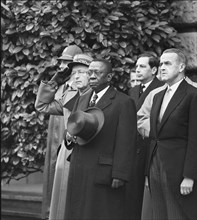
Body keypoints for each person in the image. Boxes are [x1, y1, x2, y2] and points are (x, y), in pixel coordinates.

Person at [138, 48, 197, 220]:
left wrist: (189, 176)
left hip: (178, 168)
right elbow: (155, 136)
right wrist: (149, 171)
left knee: (179, 214)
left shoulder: (194, 95)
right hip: (155, 165)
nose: (162, 67)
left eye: (167, 63)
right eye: (161, 63)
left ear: (181, 66)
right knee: (159, 214)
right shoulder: (158, 95)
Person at [64, 58, 137, 220]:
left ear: (109, 77)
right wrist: (68, 136)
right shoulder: (81, 99)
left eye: (97, 72)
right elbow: (72, 128)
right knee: (77, 213)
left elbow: (126, 141)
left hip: (104, 172)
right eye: (89, 72)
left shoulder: (123, 102)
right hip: (79, 168)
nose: (91, 76)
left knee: (101, 213)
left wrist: (120, 174)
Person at [35, 53, 93, 220]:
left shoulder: (98, 96)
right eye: (73, 73)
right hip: (67, 153)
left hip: (87, 154)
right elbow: (42, 106)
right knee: (62, 201)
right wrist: (55, 80)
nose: (76, 76)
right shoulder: (68, 94)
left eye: (82, 72)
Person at [40, 44, 82, 219]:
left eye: (67, 62)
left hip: (71, 141)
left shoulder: (81, 87)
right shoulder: (62, 83)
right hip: (56, 136)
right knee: (54, 182)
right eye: (62, 62)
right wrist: (55, 80)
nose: (63, 66)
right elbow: (43, 105)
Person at [126, 52, 164, 220]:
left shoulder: (161, 89)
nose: (138, 70)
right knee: (133, 195)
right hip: (133, 149)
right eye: (136, 67)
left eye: (142, 66)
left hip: (152, 148)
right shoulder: (133, 90)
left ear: (154, 69)